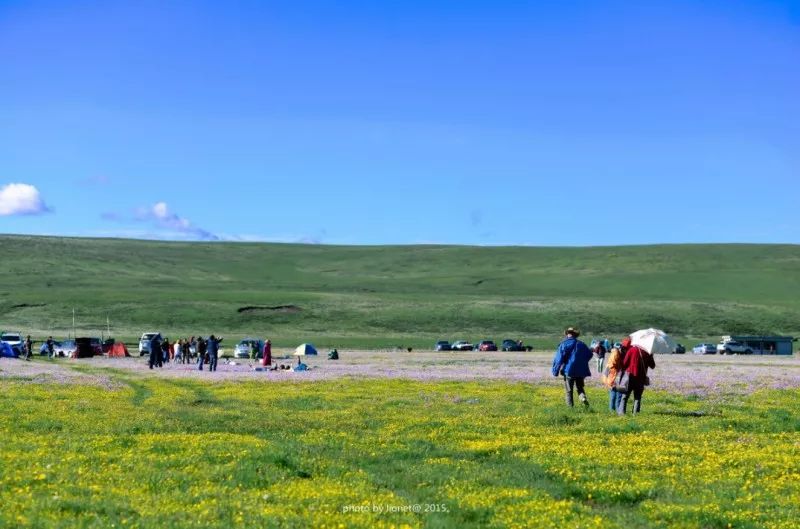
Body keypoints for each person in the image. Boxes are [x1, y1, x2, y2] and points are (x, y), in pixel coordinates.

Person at [551, 327, 593, 407]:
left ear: (567, 334)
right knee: (580, 388)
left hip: (569, 370)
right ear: (575, 335)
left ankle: (570, 408)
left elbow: (558, 359)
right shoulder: (582, 344)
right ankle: (583, 398)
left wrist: (555, 371)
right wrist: (582, 362)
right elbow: (590, 354)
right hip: (581, 371)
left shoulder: (564, 344)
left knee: (568, 390)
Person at [617, 343, 656, 415]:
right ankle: (635, 414)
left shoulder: (631, 350)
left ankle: (621, 414)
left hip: (630, 377)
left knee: (625, 396)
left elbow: (624, 363)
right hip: (641, 378)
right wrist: (651, 356)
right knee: (637, 398)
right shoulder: (648, 352)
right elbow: (653, 366)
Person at [602, 347, 624, 412]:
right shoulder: (615, 364)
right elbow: (605, 375)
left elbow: (605, 375)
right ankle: (616, 411)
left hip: (612, 381)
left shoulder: (611, 363)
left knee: (613, 396)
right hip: (614, 382)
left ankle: (613, 411)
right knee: (616, 397)